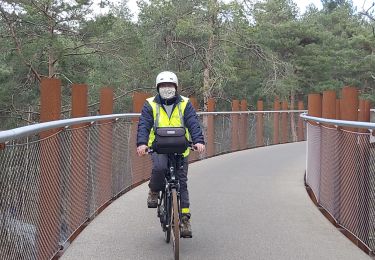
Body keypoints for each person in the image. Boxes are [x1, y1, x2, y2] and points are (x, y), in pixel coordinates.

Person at [136, 71, 205, 238]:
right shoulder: (150, 104)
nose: (167, 89)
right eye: (163, 86)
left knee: (182, 182)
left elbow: (193, 123)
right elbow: (144, 124)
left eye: (170, 85)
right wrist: (142, 144)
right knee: (159, 168)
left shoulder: (185, 103)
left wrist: (198, 140)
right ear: (158, 87)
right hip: (158, 146)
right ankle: (154, 191)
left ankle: (185, 218)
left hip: (181, 147)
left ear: (176, 87)